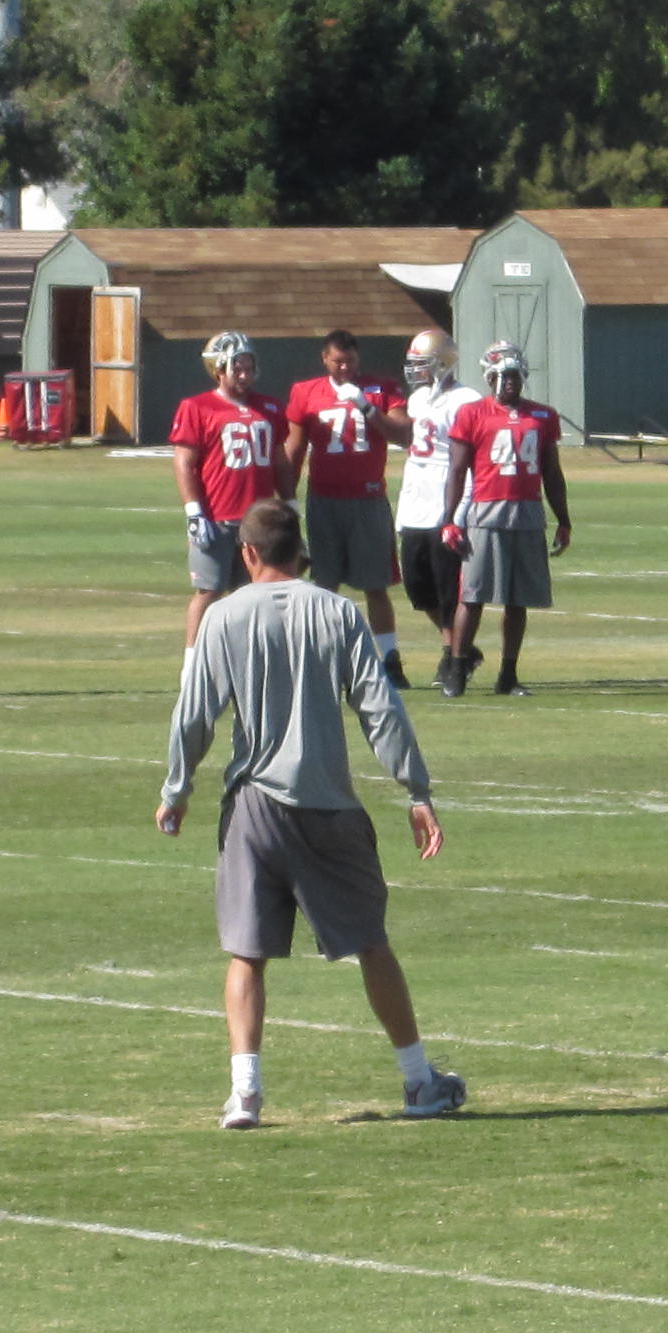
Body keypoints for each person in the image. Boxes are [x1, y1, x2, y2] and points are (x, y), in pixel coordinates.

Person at [157, 496, 461, 1129]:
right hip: (326, 803)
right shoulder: (339, 612)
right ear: (299, 550)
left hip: (252, 806)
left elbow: (194, 713)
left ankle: (245, 1093)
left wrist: (177, 787)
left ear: (246, 554)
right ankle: (417, 1081)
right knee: (371, 945)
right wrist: (417, 789)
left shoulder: (220, 616)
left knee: (247, 953)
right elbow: (380, 709)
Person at [436, 340, 568, 699]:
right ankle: (458, 666)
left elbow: (552, 473)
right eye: (503, 376)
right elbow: (457, 470)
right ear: (490, 376)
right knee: (473, 594)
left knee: (517, 599)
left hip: (527, 510)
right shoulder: (473, 413)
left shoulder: (542, 415)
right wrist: (449, 519)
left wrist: (564, 520)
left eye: (514, 376)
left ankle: (508, 674)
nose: (510, 382)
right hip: (486, 509)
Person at [281, 329, 408, 687]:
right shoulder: (306, 392)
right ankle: (323, 661)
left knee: (376, 585)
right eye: (337, 361)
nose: (344, 367)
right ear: (324, 358)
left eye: (350, 361)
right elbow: (293, 450)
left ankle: (390, 660)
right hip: (324, 499)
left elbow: (403, 435)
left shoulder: (381, 389)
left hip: (368, 498)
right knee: (324, 586)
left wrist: (366, 407)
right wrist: (288, 501)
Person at [172, 331, 281, 648]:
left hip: (257, 520)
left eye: (249, 367)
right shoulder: (197, 406)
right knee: (209, 590)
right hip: (216, 516)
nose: (245, 375)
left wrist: (287, 505)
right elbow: (184, 463)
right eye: (238, 368)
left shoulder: (270, 408)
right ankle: (193, 663)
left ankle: (248, 657)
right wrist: (194, 512)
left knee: (254, 594)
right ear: (219, 368)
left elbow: (281, 462)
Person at [389, 331, 477, 675]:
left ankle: (452, 653)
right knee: (418, 589)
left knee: (447, 590)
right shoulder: (418, 399)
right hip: (414, 503)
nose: (415, 371)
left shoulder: (465, 400)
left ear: (443, 362)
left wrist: (460, 510)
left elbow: (467, 457)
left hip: (445, 500)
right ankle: (458, 646)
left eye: (422, 364)